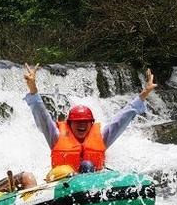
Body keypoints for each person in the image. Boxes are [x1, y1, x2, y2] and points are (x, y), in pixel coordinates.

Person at [23, 64, 157, 172]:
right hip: (62, 186)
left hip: (91, 184)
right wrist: (33, 90)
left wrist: (144, 94)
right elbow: (42, 116)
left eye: (86, 122)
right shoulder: (56, 137)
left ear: (91, 124)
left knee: (87, 165)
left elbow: (121, 120)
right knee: (76, 167)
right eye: (78, 122)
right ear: (69, 124)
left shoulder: (102, 137)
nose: (82, 125)